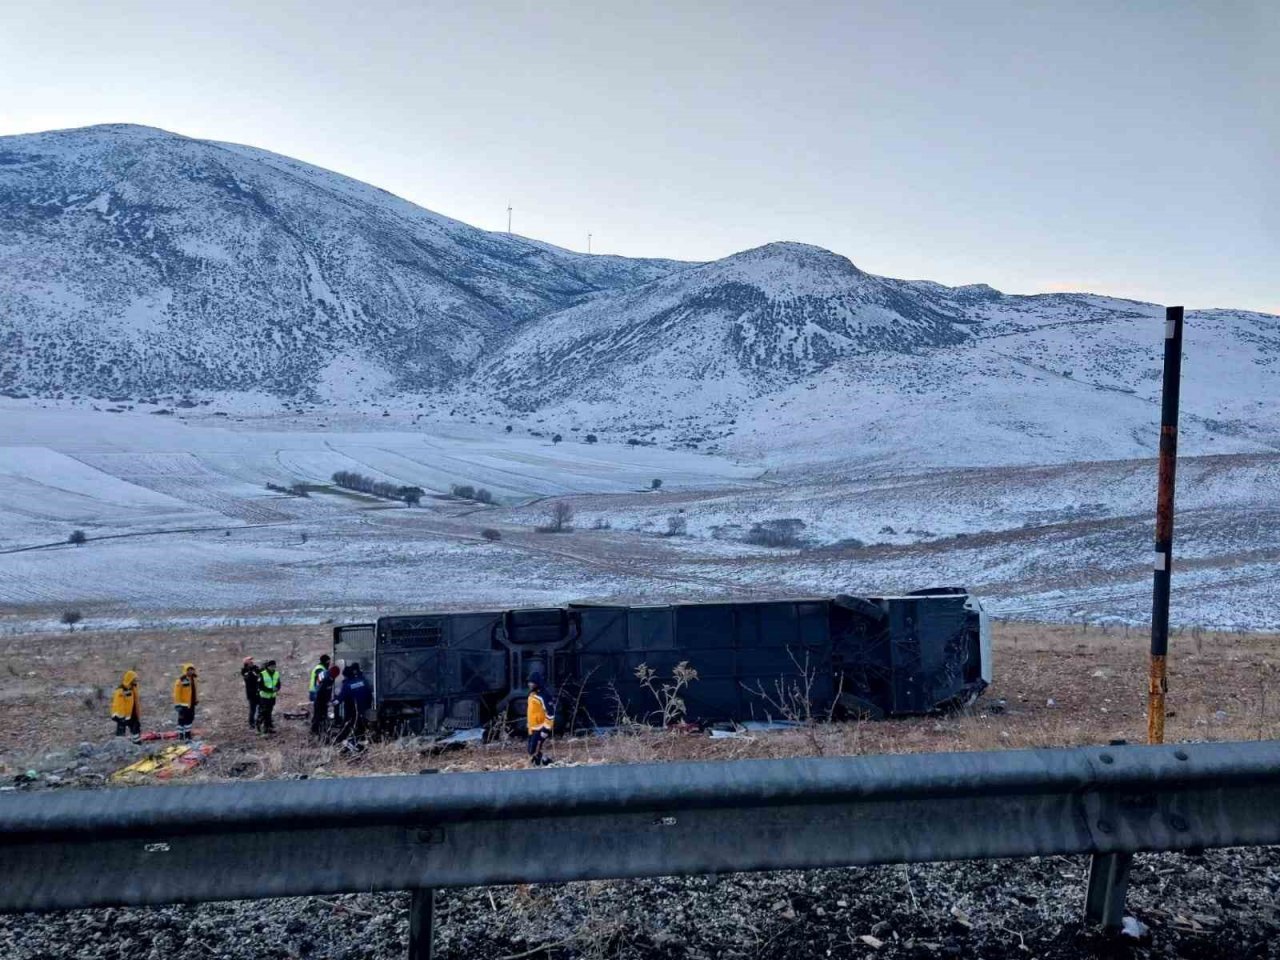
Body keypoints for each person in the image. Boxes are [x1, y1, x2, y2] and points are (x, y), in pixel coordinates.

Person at [336, 662, 373, 743]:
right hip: (364, 708)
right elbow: (369, 693)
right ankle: (362, 739)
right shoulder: (362, 680)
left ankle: (340, 740)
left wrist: (332, 702)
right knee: (362, 725)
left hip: (353, 710)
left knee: (348, 724)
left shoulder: (347, 685)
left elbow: (340, 699)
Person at [526, 671, 555, 766]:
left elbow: (550, 713)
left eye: (532, 682)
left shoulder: (544, 695)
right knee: (531, 750)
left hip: (540, 728)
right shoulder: (532, 694)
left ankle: (544, 764)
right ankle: (545, 762)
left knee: (533, 751)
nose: (529, 684)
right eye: (529, 682)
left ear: (537, 683)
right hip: (532, 728)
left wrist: (545, 730)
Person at [110, 670, 141, 743]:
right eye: (134, 679)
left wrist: (137, 713)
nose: (136, 681)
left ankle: (137, 743)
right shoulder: (121, 690)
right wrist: (121, 717)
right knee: (121, 730)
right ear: (130, 679)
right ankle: (119, 744)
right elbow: (119, 704)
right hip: (121, 715)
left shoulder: (133, 688)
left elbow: (136, 701)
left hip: (131, 714)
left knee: (136, 728)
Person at [311, 663, 339, 737]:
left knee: (317, 714)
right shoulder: (327, 679)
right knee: (320, 715)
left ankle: (316, 729)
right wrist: (326, 701)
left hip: (317, 695)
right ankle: (317, 731)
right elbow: (324, 690)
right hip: (320, 698)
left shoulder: (324, 672)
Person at [172, 664, 198, 741]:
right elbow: (177, 693)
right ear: (185, 671)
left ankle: (187, 734)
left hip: (191, 704)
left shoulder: (194, 679)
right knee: (182, 720)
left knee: (190, 718)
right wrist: (177, 705)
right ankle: (180, 735)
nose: (191, 671)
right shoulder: (181, 680)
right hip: (183, 705)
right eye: (189, 670)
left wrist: (195, 700)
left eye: (192, 670)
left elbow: (194, 690)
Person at [257, 659, 281, 734]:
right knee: (264, 713)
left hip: (272, 697)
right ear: (268, 666)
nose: (273, 668)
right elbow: (260, 686)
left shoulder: (276, 673)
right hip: (264, 697)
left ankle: (269, 727)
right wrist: (270, 690)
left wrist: (277, 688)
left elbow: (278, 683)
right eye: (272, 666)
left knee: (269, 712)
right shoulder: (262, 674)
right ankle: (261, 726)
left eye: (274, 666)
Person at [240, 657, 261, 730]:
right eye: (250, 662)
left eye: (252, 661)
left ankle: (259, 721)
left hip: (259, 692)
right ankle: (251, 724)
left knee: (260, 708)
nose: (252, 662)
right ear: (246, 663)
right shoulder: (244, 671)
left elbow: (260, 675)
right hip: (251, 693)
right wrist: (253, 673)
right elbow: (249, 678)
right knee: (253, 709)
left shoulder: (256, 668)